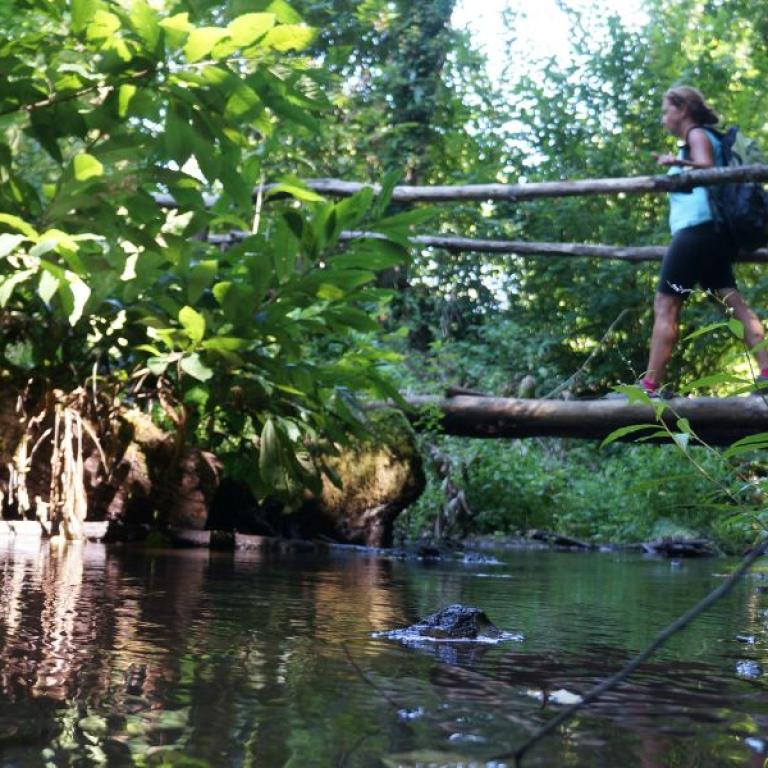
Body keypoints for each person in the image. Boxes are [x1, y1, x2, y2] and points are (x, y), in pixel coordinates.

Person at [641, 85, 768, 398]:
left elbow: (708, 169)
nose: (663, 118)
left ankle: (648, 387)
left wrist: (678, 163)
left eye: (666, 110)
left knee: (666, 304)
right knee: (733, 304)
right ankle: (767, 373)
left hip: (695, 232)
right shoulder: (703, 138)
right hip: (714, 235)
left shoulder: (696, 135)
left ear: (682, 110)